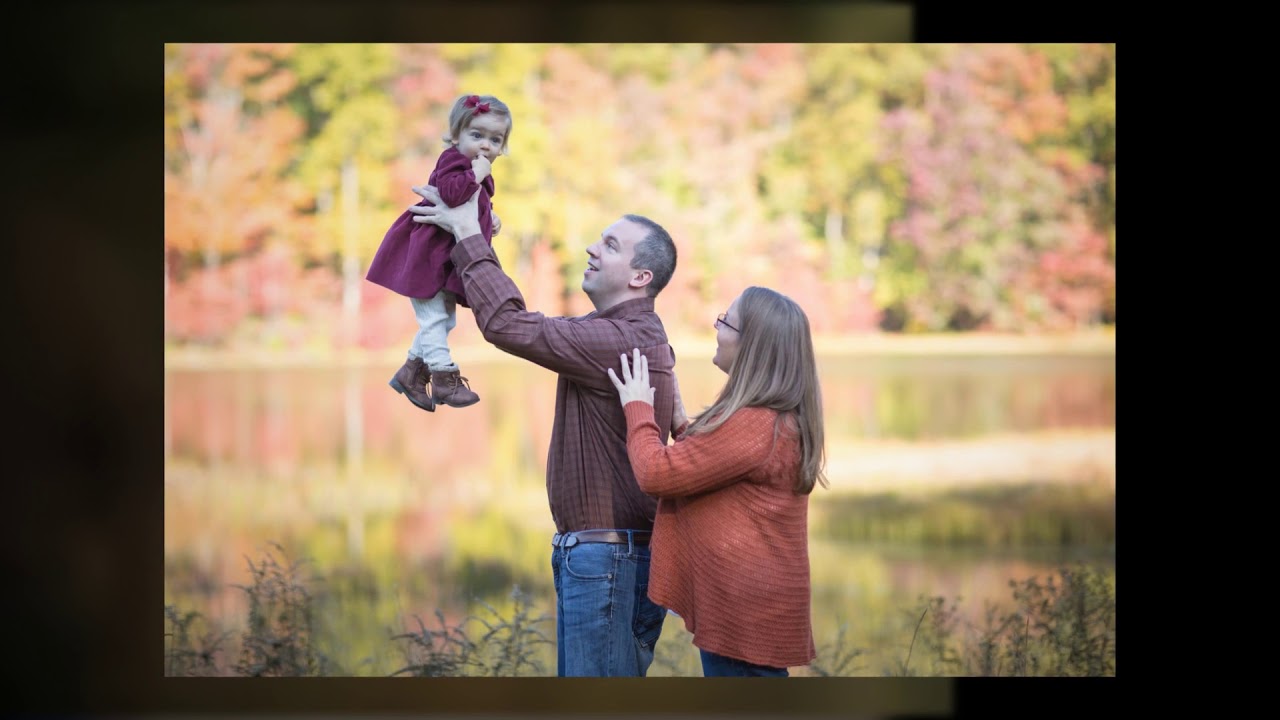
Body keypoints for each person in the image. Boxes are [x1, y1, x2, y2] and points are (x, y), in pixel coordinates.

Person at [406, 184, 680, 677]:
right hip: (611, 558)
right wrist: (475, 243)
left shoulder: (617, 340)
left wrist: (469, 233)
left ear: (642, 277)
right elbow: (516, 320)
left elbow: (508, 326)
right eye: (600, 239)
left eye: (611, 245)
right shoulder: (620, 333)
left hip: (608, 562)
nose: (593, 249)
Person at [606, 286, 827, 677]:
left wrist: (637, 406)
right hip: (752, 609)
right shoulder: (773, 420)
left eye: (726, 321)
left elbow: (656, 474)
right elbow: (715, 464)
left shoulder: (755, 424)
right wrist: (678, 421)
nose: (716, 325)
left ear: (751, 346)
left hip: (745, 614)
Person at [366, 93, 512, 412]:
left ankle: (410, 374)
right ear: (457, 135)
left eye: (495, 139)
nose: (486, 145)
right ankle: (444, 379)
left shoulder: (476, 169)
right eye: (477, 135)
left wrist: (491, 218)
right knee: (434, 320)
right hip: (425, 258)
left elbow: (473, 206)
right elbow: (451, 193)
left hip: (443, 263)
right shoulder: (454, 161)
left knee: (443, 321)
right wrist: (478, 174)